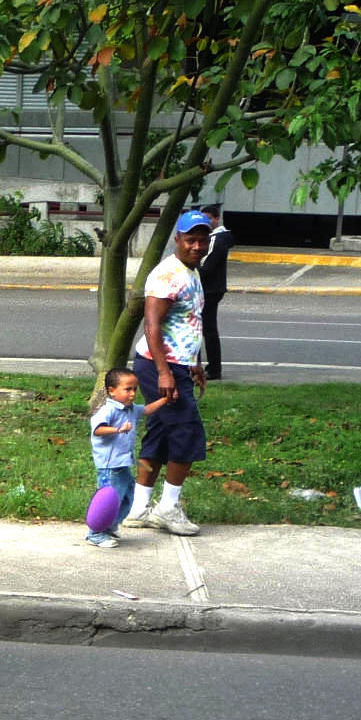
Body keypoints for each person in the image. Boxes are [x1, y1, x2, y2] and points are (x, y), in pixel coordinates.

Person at [126, 211, 213, 536]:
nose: (197, 246)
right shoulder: (167, 275)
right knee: (187, 433)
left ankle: (138, 509)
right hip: (159, 365)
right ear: (177, 239)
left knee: (161, 433)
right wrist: (165, 373)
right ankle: (168, 509)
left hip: (176, 364)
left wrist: (195, 363)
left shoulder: (191, 271)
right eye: (190, 239)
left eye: (202, 240)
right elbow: (153, 326)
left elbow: (189, 323)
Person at [85, 365, 166, 550]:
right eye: (127, 389)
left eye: (135, 389)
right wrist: (118, 430)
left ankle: (110, 526)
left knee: (127, 496)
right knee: (108, 498)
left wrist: (164, 400)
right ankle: (96, 533)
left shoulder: (130, 409)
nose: (132, 393)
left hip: (122, 464)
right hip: (109, 465)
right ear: (112, 391)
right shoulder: (108, 410)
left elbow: (147, 410)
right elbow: (97, 430)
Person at [199, 203, 231, 380]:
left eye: (208, 218)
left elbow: (206, 266)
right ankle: (212, 367)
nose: (205, 222)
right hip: (213, 288)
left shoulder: (216, 239)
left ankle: (213, 368)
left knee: (205, 329)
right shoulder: (217, 238)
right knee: (207, 328)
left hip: (209, 289)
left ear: (216, 219)